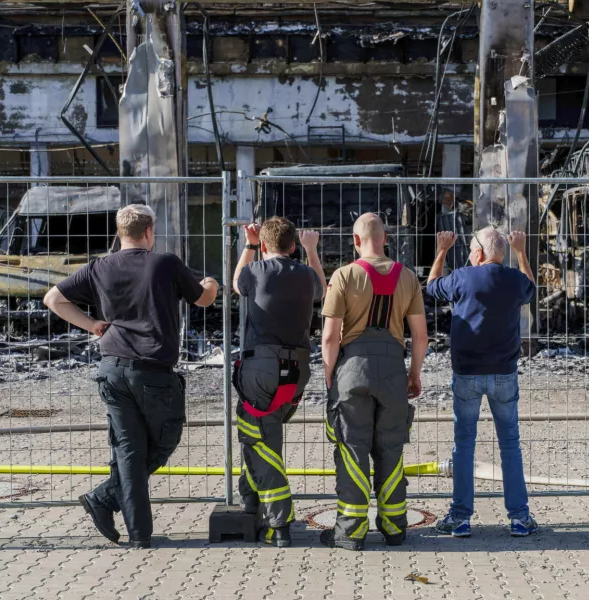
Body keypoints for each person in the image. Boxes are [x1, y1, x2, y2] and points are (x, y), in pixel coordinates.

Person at [43, 204, 218, 548]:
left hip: (112, 368)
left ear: (120, 232)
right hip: (152, 371)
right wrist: (210, 281)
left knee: (129, 450)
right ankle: (105, 497)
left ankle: (136, 532)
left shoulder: (99, 267)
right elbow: (204, 299)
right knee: (164, 441)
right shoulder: (165, 264)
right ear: (150, 232)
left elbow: (54, 298)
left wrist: (92, 324)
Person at [320, 213, 427, 551]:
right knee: (391, 451)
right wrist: (414, 374)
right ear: (386, 238)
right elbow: (421, 336)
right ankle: (395, 528)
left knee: (352, 450)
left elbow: (329, 338)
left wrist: (331, 380)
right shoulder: (408, 277)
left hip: (352, 371)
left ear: (355, 240)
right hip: (394, 371)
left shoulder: (344, 275)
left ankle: (350, 532)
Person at [425, 227, 540, 538]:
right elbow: (532, 288)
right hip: (504, 373)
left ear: (478, 253)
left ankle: (460, 517)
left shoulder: (462, 277)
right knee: (510, 445)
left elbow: (432, 287)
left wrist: (442, 250)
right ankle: (519, 517)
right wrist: (521, 252)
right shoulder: (514, 280)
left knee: (464, 445)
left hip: (467, 373)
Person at [232, 217, 325, 548]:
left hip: (262, 367)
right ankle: (250, 501)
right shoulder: (305, 274)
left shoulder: (256, 271)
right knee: (260, 436)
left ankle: (279, 523)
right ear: (294, 245)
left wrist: (248, 244)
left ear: (265, 246)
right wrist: (312, 251)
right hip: (297, 369)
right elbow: (321, 289)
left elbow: (236, 283)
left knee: (261, 441)